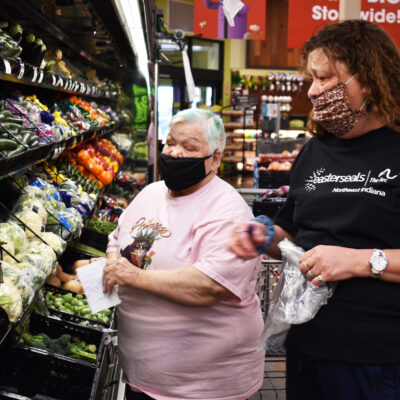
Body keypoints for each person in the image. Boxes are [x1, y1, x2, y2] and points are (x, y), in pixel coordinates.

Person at [229, 19, 400, 400]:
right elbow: (295, 234)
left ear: (369, 79)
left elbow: (352, 256)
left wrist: (358, 261)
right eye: (312, 78)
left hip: (377, 356)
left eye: (324, 79)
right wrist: (266, 237)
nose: (313, 90)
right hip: (307, 343)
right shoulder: (314, 151)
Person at [103, 108, 265, 400]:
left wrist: (132, 275)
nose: (175, 153)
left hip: (202, 388)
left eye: (189, 147)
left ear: (215, 158)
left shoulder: (227, 210)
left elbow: (208, 286)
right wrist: (111, 265)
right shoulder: (150, 194)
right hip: (141, 378)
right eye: (170, 143)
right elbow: (117, 240)